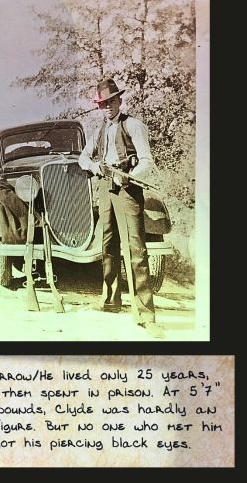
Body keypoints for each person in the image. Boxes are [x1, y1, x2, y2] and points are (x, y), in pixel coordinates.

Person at [79, 78, 165, 338]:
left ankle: (146, 313)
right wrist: (96, 168)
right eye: (102, 103)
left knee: (136, 249)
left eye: (110, 101)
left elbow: (147, 161)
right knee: (107, 246)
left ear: (120, 100)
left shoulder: (134, 125)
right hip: (105, 190)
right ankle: (111, 301)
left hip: (128, 191)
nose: (106, 107)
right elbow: (84, 157)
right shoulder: (99, 130)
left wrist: (126, 176)